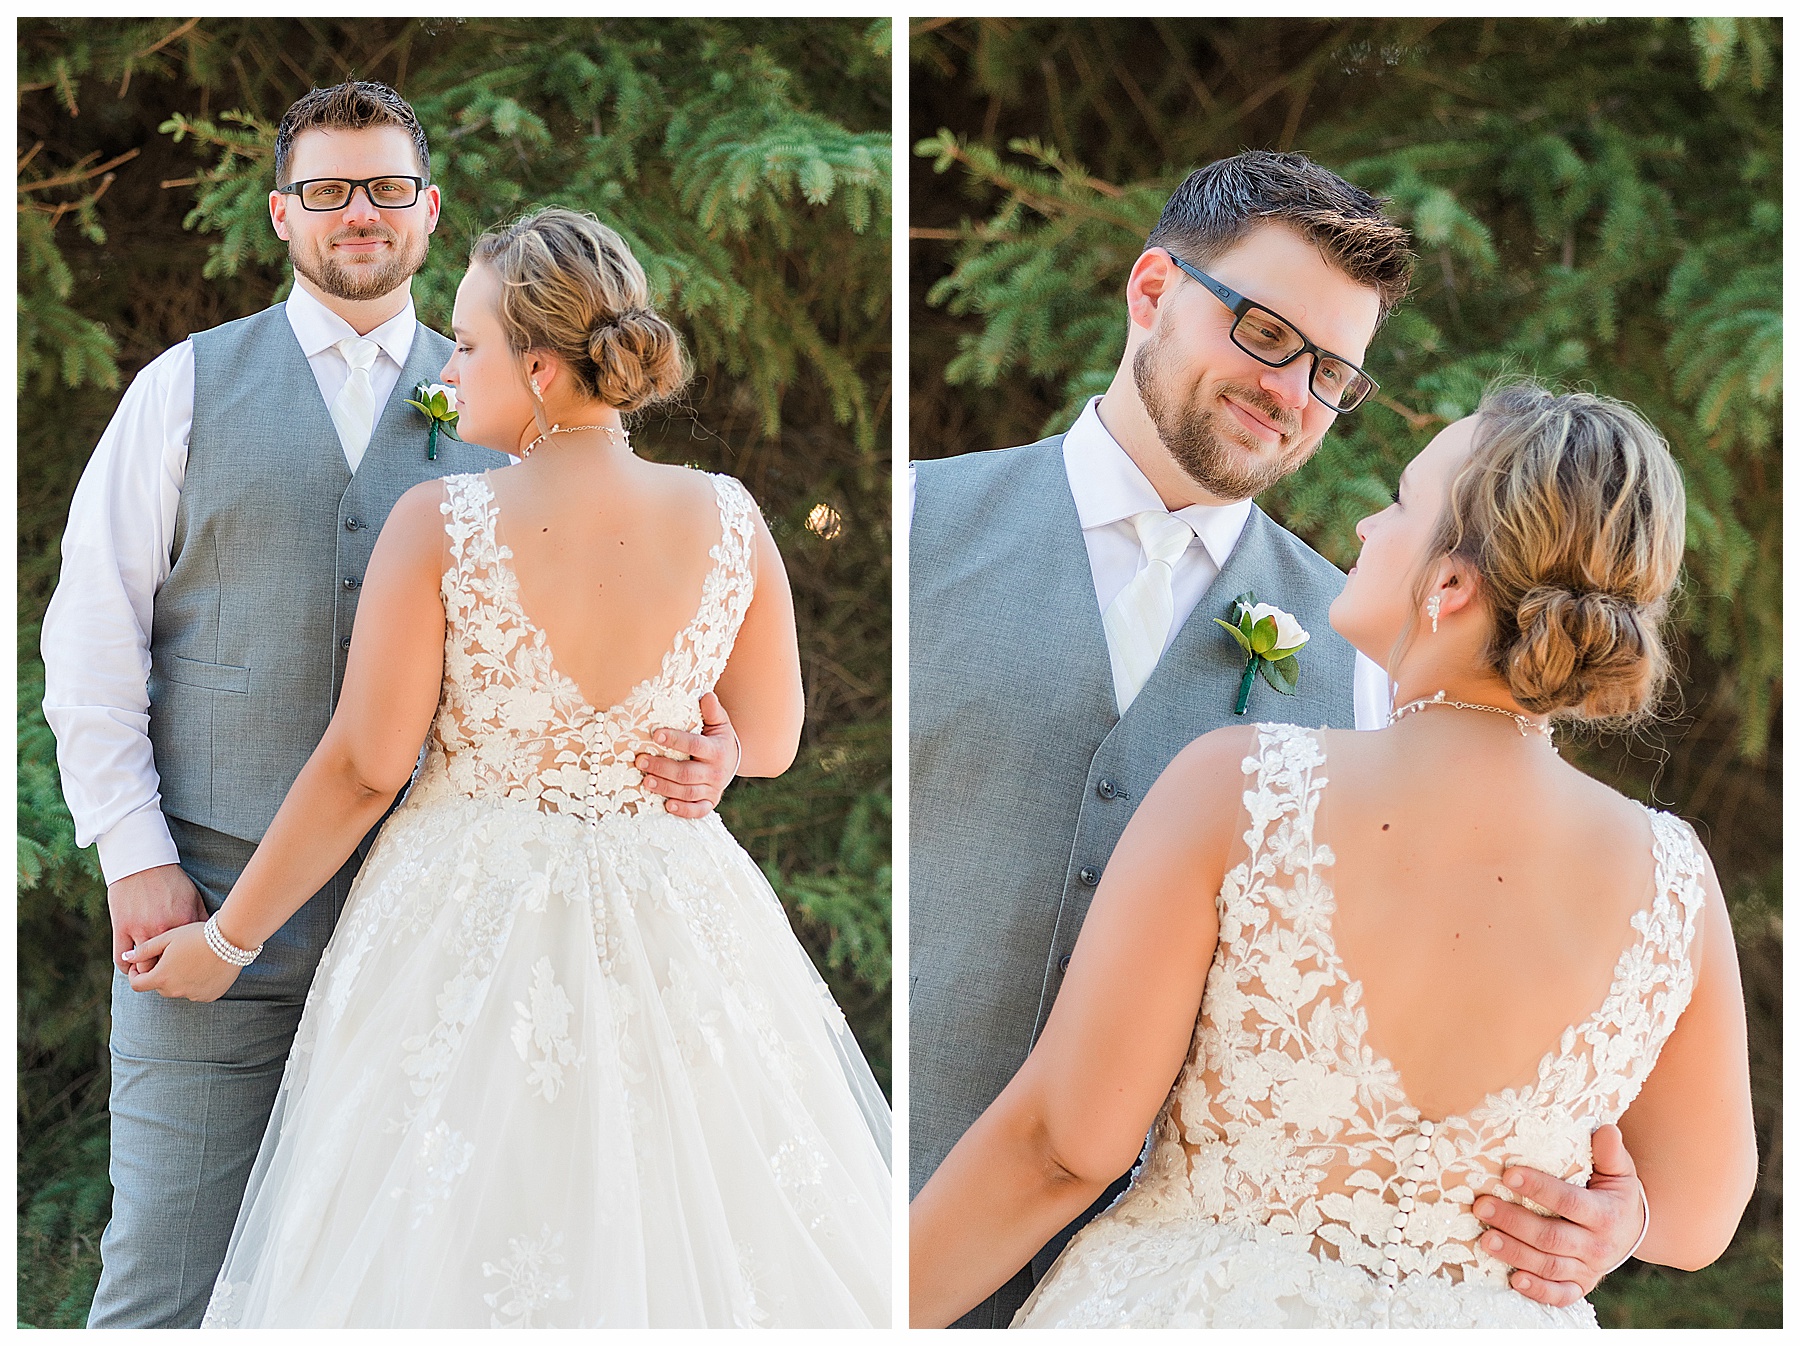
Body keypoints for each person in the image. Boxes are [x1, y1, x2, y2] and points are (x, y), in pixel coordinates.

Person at [41, 82, 740, 1329]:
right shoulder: (184, 389)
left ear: (428, 210)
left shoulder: (518, 392)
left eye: (384, 187)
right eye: (325, 189)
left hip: (458, 941)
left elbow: (615, 612)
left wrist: (706, 735)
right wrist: (133, 854)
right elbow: (90, 637)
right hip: (212, 888)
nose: (356, 212)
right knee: (163, 1279)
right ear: (280, 214)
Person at [909, 151, 1651, 1325]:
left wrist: (1610, 1211)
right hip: (860, 1217)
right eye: (1263, 331)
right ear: (1152, 288)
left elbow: (1471, 1014)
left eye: (1332, 372)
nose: (1292, 390)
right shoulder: (912, 520)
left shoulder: (1382, 665)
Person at [123, 206, 893, 1327]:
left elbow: (361, 765)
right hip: (679, 915)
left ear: (539, 370)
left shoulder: (443, 522)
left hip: (459, 927)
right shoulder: (729, 516)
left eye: (468, 342)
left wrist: (227, 940)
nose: (450, 364)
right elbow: (771, 740)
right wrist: (719, 751)